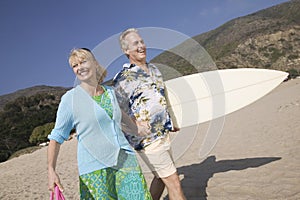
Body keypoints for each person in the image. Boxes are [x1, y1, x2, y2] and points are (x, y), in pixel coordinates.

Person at [47, 48, 152, 199]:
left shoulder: (110, 92)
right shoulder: (70, 99)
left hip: (126, 161)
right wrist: (51, 170)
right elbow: (56, 137)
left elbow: (123, 120)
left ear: (95, 64)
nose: (80, 67)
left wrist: (144, 128)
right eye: (75, 65)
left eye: (83, 61)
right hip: (95, 169)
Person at [113, 28, 186, 200]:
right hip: (146, 140)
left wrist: (172, 121)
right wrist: (135, 127)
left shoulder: (154, 70)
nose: (141, 46)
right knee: (174, 181)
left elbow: (163, 96)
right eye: (135, 43)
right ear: (126, 50)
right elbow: (117, 111)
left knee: (161, 179)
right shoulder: (123, 78)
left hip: (163, 132)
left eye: (142, 41)